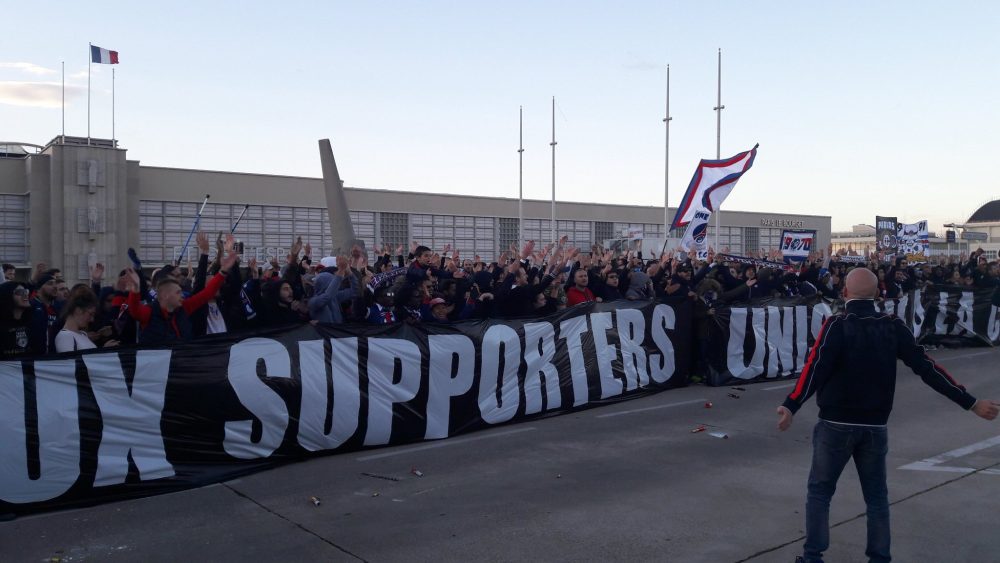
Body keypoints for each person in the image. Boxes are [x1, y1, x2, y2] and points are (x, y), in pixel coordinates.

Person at [776, 267, 999, 563]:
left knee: (820, 493)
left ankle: (813, 556)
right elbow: (928, 368)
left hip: (835, 424)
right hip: (875, 426)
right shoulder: (893, 326)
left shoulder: (836, 325)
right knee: (877, 498)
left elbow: (815, 368)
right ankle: (879, 558)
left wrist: (792, 404)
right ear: (879, 294)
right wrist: (970, 402)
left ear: (844, 293)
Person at [0, 281, 33, 358]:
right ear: (7, 296)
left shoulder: (30, 321)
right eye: (20, 292)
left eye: (26, 291)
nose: (26, 294)